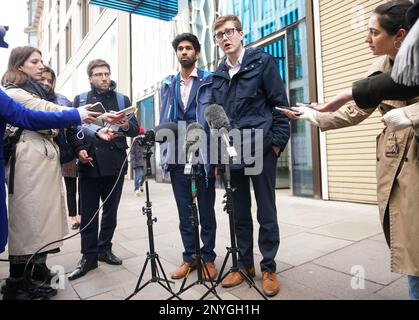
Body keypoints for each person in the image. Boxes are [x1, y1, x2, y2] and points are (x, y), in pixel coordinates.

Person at [279, 1, 419, 300]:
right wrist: (314, 116)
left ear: (400, 35)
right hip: (400, 169)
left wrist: (411, 115)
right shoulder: (382, 66)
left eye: (373, 32)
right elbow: (356, 108)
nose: (366, 39)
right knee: (412, 252)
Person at [0, 46, 123, 300]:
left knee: (40, 219)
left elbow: (59, 114)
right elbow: (47, 111)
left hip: (41, 157)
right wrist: (89, 116)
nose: (41, 66)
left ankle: (33, 272)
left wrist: (98, 123)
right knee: (27, 219)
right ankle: (18, 282)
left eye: (42, 61)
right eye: (35, 61)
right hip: (29, 159)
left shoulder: (33, 90)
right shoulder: (16, 92)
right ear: (19, 65)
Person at [211, 15, 290, 297]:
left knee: (266, 211)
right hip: (232, 154)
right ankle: (244, 265)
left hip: (262, 149)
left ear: (241, 34)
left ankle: (268, 267)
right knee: (239, 212)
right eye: (219, 34)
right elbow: (217, 120)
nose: (224, 37)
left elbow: (280, 106)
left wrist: (276, 145)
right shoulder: (217, 75)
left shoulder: (262, 62)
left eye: (229, 32)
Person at [67, 59, 139, 281]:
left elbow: (134, 128)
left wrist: (125, 124)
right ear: (90, 78)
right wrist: (79, 150)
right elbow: (71, 130)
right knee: (88, 213)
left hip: (115, 164)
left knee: (111, 211)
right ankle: (88, 257)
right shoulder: (80, 100)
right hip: (89, 162)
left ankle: (104, 249)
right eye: (99, 74)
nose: (104, 78)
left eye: (107, 73)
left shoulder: (121, 99)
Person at [159, 33, 217, 281]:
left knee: (206, 209)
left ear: (197, 53)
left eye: (189, 48)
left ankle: (208, 258)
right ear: (177, 54)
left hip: (203, 154)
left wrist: (215, 157)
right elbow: (164, 118)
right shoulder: (168, 84)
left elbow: (216, 117)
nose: (184, 52)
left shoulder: (209, 81)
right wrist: (164, 153)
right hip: (177, 155)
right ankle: (189, 257)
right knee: (185, 210)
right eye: (180, 49)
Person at [40, 66, 81, 230]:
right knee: (55, 191)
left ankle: (76, 217)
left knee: (74, 188)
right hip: (45, 156)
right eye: (42, 79)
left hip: (68, 153)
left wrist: (78, 148)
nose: (46, 83)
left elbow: (75, 128)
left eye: (50, 80)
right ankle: (65, 219)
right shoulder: (27, 101)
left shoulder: (63, 101)